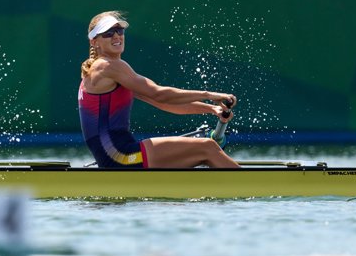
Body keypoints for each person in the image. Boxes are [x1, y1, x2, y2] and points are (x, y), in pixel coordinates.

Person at [78, 10, 240, 168]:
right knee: (207, 148)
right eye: (108, 33)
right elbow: (159, 93)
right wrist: (209, 94)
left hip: (114, 155)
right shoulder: (106, 66)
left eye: (119, 30)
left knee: (205, 149)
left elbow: (163, 103)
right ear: (94, 41)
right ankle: (253, 189)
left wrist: (212, 109)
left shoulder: (104, 71)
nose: (116, 36)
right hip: (119, 155)